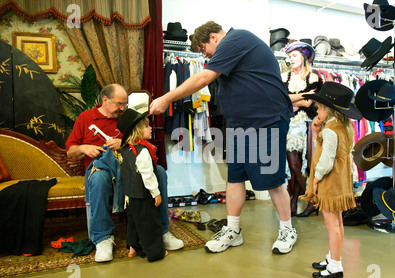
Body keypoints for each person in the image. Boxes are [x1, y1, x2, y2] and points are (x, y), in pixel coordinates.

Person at [150, 21, 297, 254]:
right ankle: (233, 230)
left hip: (266, 120)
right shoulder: (233, 46)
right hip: (241, 125)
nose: (204, 55)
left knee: (272, 180)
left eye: (202, 49)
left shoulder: (235, 40)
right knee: (235, 178)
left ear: (213, 38)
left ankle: (287, 229)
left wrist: (167, 98)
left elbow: (203, 79)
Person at [66, 84, 182, 263]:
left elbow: (143, 140)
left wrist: (125, 142)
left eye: (124, 104)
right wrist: (84, 147)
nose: (122, 108)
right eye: (119, 104)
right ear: (105, 100)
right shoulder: (86, 118)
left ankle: (162, 230)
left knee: (158, 171)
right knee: (98, 178)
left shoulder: (127, 117)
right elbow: (70, 151)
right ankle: (102, 238)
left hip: (129, 165)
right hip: (102, 167)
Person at [300, 81, 362, 278]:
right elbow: (330, 151)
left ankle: (335, 267)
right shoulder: (343, 127)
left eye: (319, 107)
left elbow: (325, 161)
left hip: (329, 181)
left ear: (327, 108)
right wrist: (317, 131)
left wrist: (316, 179)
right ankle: (333, 258)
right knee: (338, 222)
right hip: (341, 181)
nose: (317, 109)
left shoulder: (330, 130)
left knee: (331, 225)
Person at [117, 108, 167, 261]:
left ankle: (133, 248)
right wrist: (156, 193)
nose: (150, 128)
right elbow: (147, 175)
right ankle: (156, 252)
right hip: (143, 195)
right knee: (149, 224)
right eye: (146, 126)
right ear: (137, 131)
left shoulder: (124, 150)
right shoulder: (142, 151)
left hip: (130, 196)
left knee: (133, 222)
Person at [281, 41, 323, 216]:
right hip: (289, 124)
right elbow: (281, 99)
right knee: (294, 165)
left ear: (304, 57)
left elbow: (309, 102)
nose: (291, 59)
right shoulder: (284, 76)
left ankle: (305, 200)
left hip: (306, 126)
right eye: (289, 56)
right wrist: (297, 100)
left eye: (295, 55)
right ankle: (309, 198)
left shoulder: (313, 77)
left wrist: (293, 100)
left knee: (302, 165)